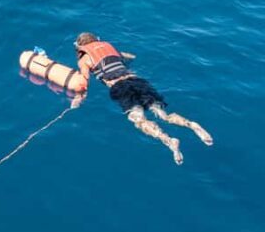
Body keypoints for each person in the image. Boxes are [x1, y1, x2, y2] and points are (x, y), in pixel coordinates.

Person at [70, 32, 213, 165]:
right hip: (137, 80)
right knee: (163, 114)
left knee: (137, 118)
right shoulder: (109, 47)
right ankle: (191, 124)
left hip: (119, 87)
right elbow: (130, 56)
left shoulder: (84, 58)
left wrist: (78, 98)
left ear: (79, 47)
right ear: (96, 40)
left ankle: (169, 140)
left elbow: (84, 82)